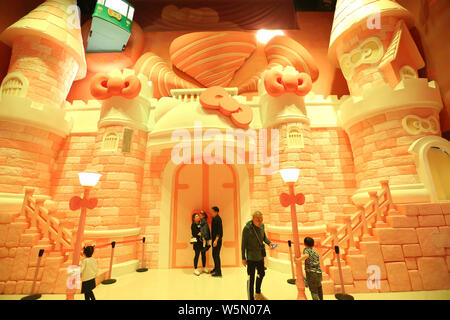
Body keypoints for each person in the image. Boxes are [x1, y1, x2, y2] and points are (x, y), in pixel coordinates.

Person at [241, 211, 274, 300]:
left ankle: (258, 292)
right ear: (253, 219)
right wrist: (243, 258)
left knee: (261, 273)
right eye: (258, 220)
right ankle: (250, 298)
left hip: (260, 256)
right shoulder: (247, 229)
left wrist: (269, 243)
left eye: (261, 219)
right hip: (251, 257)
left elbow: (264, 237)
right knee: (251, 278)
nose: (260, 221)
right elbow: (243, 244)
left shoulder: (262, 226)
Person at [210, 206, 223, 277]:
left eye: (212, 211)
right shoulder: (214, 218)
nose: (211, 213)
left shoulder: (218, 219)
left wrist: (216, 240)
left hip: (217, 241)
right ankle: (216, 268)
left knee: (216, 255)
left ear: (216, 212)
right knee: (214, 255)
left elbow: (219, 231)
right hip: (214, 240)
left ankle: (218, 272)